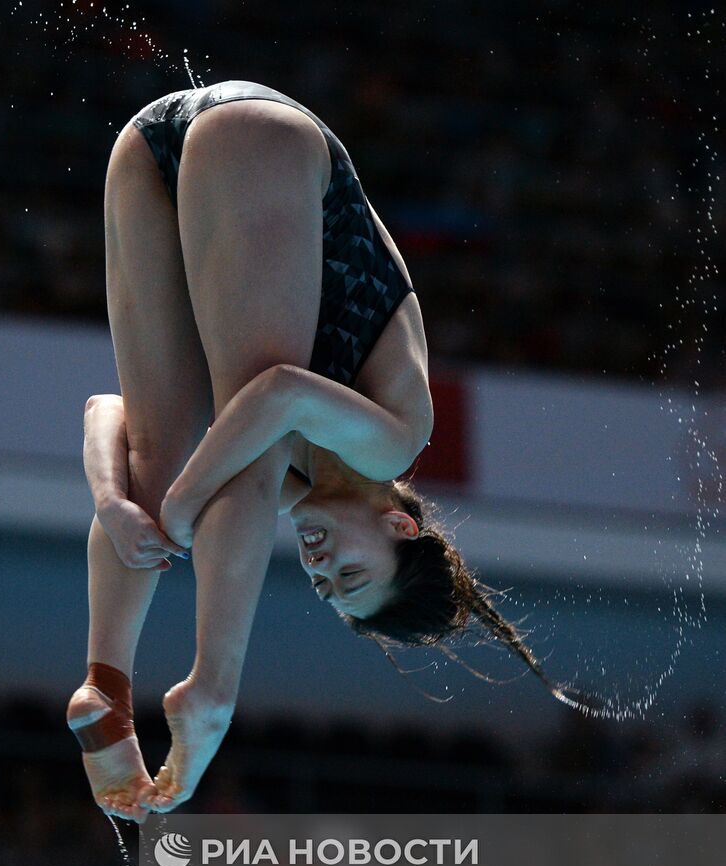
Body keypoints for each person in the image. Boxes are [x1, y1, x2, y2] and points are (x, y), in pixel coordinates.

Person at [66, 81, 545, 825]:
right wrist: (185, 511)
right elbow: (280, 392)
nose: (320, 568)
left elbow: (108, 414)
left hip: (149, 146)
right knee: (228, 462)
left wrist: (112, 502)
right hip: (262, 141)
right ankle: (215, 690)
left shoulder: (293, 482)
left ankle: (106, 682)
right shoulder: (392, 440)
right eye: (349, 572)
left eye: (324, 587)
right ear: (401, 527)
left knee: (155, 465)